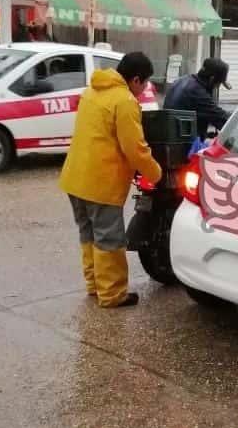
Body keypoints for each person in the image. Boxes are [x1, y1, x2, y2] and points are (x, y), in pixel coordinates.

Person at [59, 52, 162, 308]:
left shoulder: (92, 90)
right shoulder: (124, 100)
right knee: (109, 239)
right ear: (136, 80)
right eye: (145, 83)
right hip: (101, 182)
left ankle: (95, 285)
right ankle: (113, 294)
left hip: (75, 178)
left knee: (88, 234)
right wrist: (156, 173)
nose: (144, 90)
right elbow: (135, 148)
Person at [163, 57, 232, 140]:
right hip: (182, 144)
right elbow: (221, 118)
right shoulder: (197, 92)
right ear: (212, 79)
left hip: (171, 135)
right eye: (219, 83)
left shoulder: (182, 80)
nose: (217, 87)